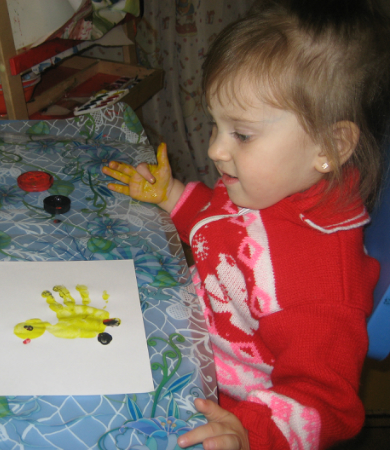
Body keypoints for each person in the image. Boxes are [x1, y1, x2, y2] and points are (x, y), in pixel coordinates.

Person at [102, 1, 390, 449]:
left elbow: (325, 403)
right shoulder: (269, 185)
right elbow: (224, 230)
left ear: (330, 147)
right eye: (216, 125)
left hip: (229, 409)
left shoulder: (319, 288)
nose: (216, 149)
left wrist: (248, 432)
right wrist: (172, 195)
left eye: (241, 133)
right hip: (191, 338)